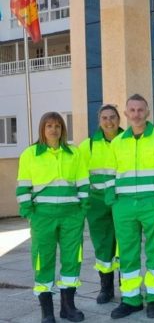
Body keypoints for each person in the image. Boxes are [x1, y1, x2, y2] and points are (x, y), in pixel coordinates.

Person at [105, 94, 154, 319]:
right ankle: (131, 299)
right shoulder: (117, 142)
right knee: (126, 254)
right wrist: (112, 200)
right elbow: (110, 173)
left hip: (152, 204)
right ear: (126, 114)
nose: (136, 114)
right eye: (132, 110)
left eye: (140, 110)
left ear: (148, 112)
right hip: (123, 206)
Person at [16, 112, 89, 323]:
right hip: (43, 217)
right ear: (42, 129)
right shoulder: (30, 154)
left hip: (71, 216)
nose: (53, 130)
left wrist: (82, 210)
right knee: (43, 260)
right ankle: (46, 311)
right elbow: (23, 186)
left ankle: (68, 307)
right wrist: (29, 213)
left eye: (58, 126)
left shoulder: (74, 153)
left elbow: (83, 183)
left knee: (72, 259)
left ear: (63, 129)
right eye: (49, 125)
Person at [78, 104, 123, 304]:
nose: (109, 121)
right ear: (99, 120)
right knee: (103, 246)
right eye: (104, 118)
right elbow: (79, 176)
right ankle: (106, 288)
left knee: (125, 245)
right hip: (97, 204)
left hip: (122, 200)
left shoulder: (128, 141)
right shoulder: (87, 146)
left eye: (112, 117)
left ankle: (127, 288)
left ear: (119, 119)